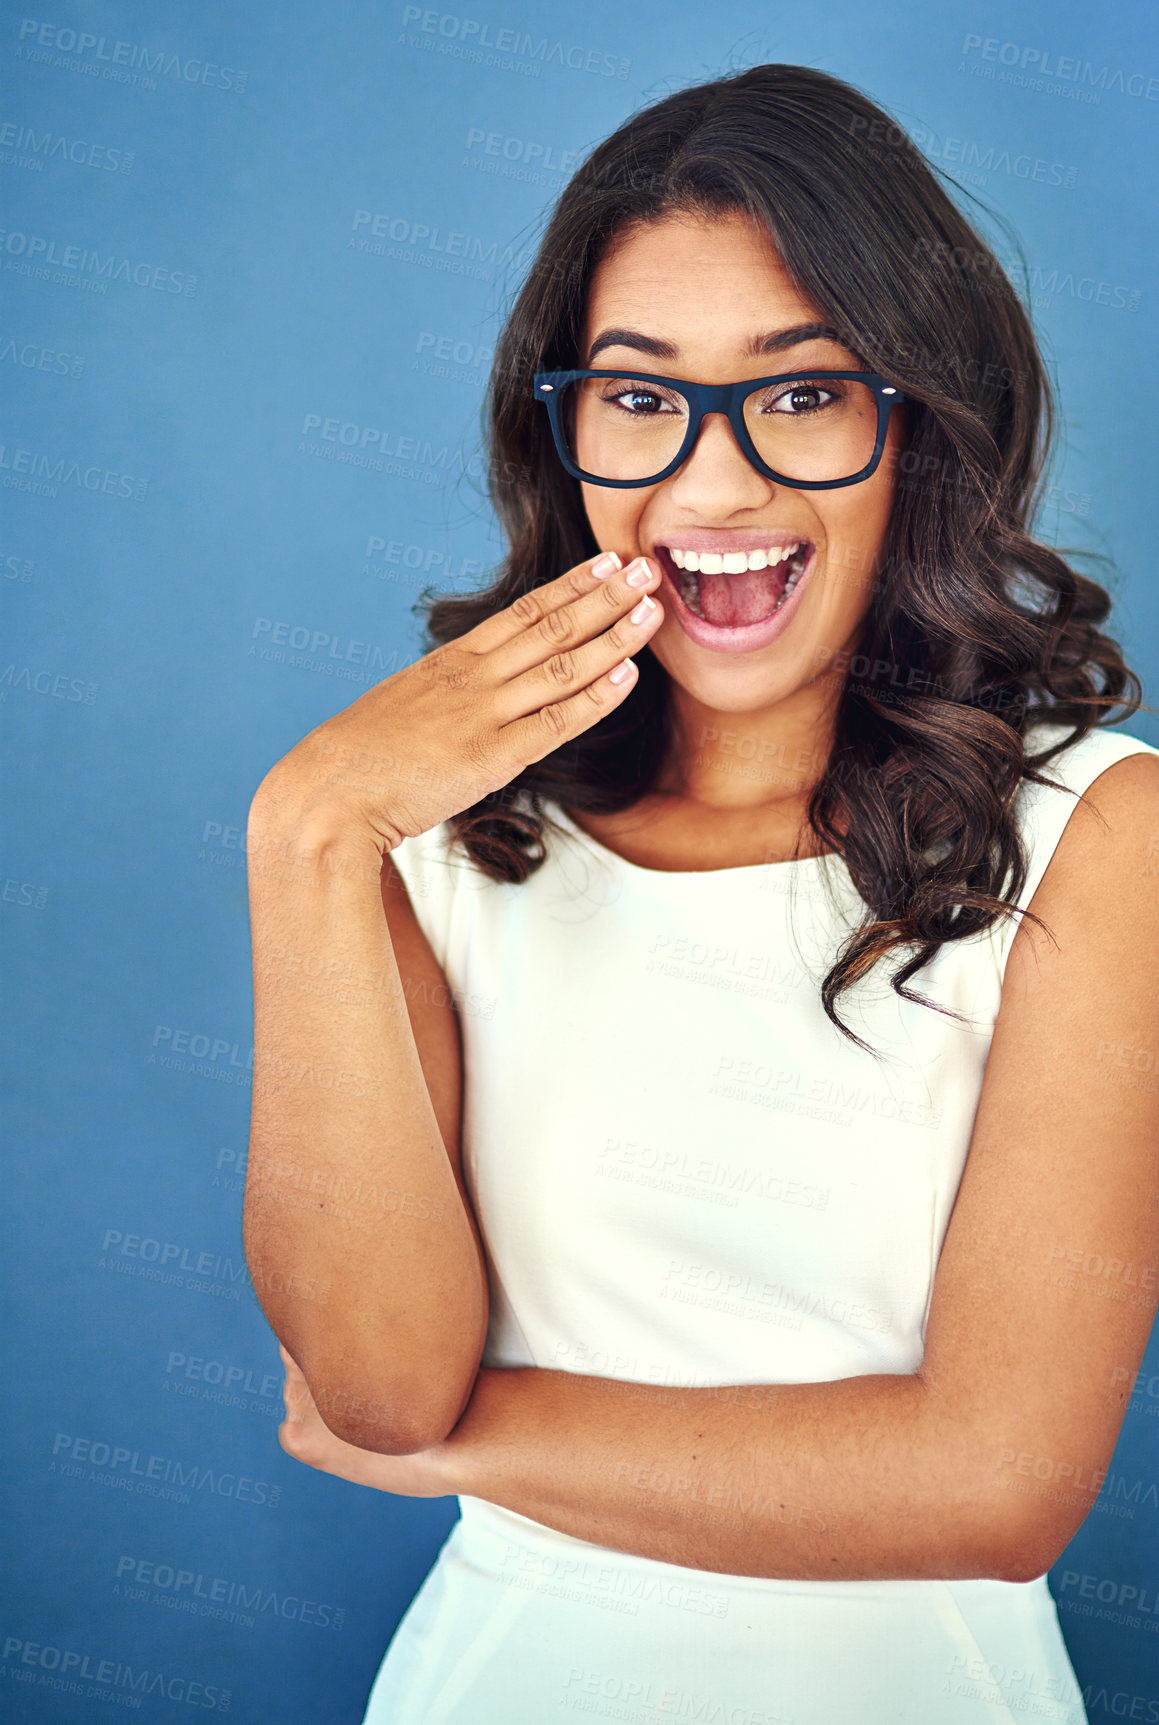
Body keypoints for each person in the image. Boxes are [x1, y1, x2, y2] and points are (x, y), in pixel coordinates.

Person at [243, 63, 1159, 1724]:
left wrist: (470, 1436)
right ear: (568, 428)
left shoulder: (1102, 835)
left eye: (803, 395)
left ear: (920, 428)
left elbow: (1000, 1483)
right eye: (640, 396)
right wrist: (307, 831)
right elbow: (374, 1372)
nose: (712, 486)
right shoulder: (434, 843)